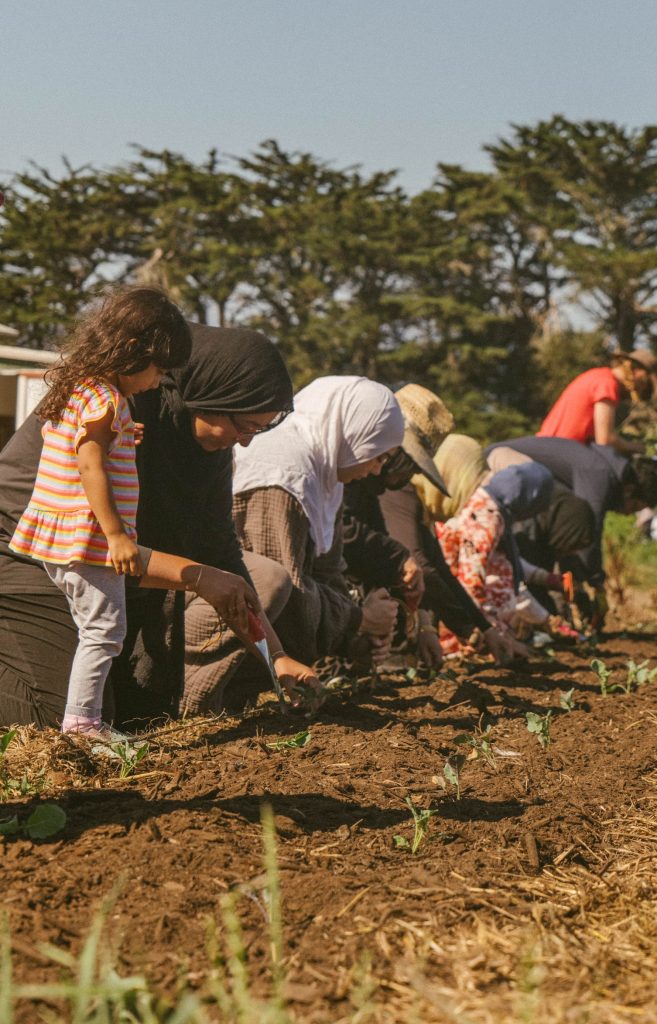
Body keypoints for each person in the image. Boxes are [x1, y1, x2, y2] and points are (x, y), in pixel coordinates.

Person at [0, 316, 314, 729]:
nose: (246, 441)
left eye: (258, 429)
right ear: (208, 394)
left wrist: (276, 656)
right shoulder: (119, 411)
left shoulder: (208, 452)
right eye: (244, 425)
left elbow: (221, 553)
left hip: (102, 570)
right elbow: (94, 539)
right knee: (62, 720)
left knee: (141, 715)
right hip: (33, 557)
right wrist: (199, 577)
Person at [8, 288, 194, 739]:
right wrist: (117, 536)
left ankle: (82, 719)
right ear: (131, 350)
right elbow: (89, 464)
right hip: (87, 536)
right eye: (158, 369)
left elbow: (79, 442)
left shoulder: (80, 387)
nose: (158, 382)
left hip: (53, 534)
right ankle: (83, 724)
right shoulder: (106, 399)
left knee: (92, 629)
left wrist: (123, 435)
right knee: (105, 631)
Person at [224, 377, 404, 689]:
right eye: (379, 456)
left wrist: (357, 635)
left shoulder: (326, 475)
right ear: (353, 432)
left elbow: (327, 573)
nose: (377, 470)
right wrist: (360, 618)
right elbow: (286, 600)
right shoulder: (285, 472)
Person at [485, 435, 657, 629]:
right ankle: (530, 623)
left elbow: (574, 542)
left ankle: (544, 619)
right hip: (504, 467)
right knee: (526, 552)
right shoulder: (599, 475)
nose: (628, 514)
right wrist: (595, 584)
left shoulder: (604, 469)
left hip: (527, 481)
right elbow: (586, 536)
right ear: (629, 490)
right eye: (634, 507)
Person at [341, 383, 454, 669]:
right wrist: (400, 559)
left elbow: (380, 545)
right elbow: (345, 533)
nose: (408, 477)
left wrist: (423, 621)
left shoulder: (369, 486)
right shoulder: (348, 474)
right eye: (409, 465)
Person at [414, 435, 555, 652]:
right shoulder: (487, 514)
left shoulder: (489, 506)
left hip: (455, 606)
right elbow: (472, 579)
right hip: (459, 619)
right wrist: (488, 632)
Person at [537, 350, 657, 455]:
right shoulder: (607, 384)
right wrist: (638, 447)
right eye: (644, 386)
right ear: (638, 373)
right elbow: (605, 440)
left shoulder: (597, 375)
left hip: (544, 445)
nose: (639, 391)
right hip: (558, 452)